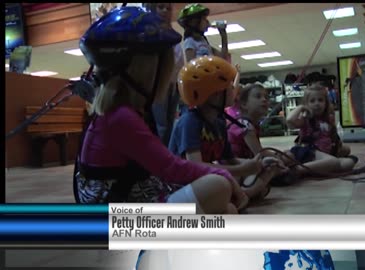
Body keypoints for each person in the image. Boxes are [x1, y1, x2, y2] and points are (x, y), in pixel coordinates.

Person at [74, 6, 248, 214]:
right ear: (144, 70)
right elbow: (171, 168)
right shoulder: (121, 117)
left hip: (127, 197)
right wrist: (223, 174)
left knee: (226, 209)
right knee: (217, 186)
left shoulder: (120, 113)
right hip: (118, 214)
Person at [169, 55, 277, 202]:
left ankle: (243, 194)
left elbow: (229, 160)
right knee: (227, 185)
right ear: (214, 93)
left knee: (263, 172)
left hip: (205, 178)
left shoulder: (219, 122)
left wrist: (257, 165)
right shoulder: (190, 122)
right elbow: (196, 166)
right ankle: (245, 194)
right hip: (183, 184)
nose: (235, 91)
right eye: (230, 87)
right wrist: (243, 169)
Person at [286, 85, 357, 177]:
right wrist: (301, 108)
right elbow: (289, 120)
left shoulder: (328, 119)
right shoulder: (306, 119)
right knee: (334, 162)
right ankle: (298, 170)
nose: (317, 103)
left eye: (320, 100)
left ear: (325, 103)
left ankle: (319, 167)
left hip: (323, 152)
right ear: (306, 104)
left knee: (348, 160)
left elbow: (332, 137)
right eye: (312, 101)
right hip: (308, 152)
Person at [144, 3, 185, 145]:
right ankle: (160, 158)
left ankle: (166, 154)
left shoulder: (172, 34)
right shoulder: (150, 32)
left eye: (168, 8)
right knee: (161, 125)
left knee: (169, 124)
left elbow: (179, 61)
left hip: (173, 85)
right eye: (161, 7)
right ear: (153, 8)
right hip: (159, 84)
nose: (165, 11)